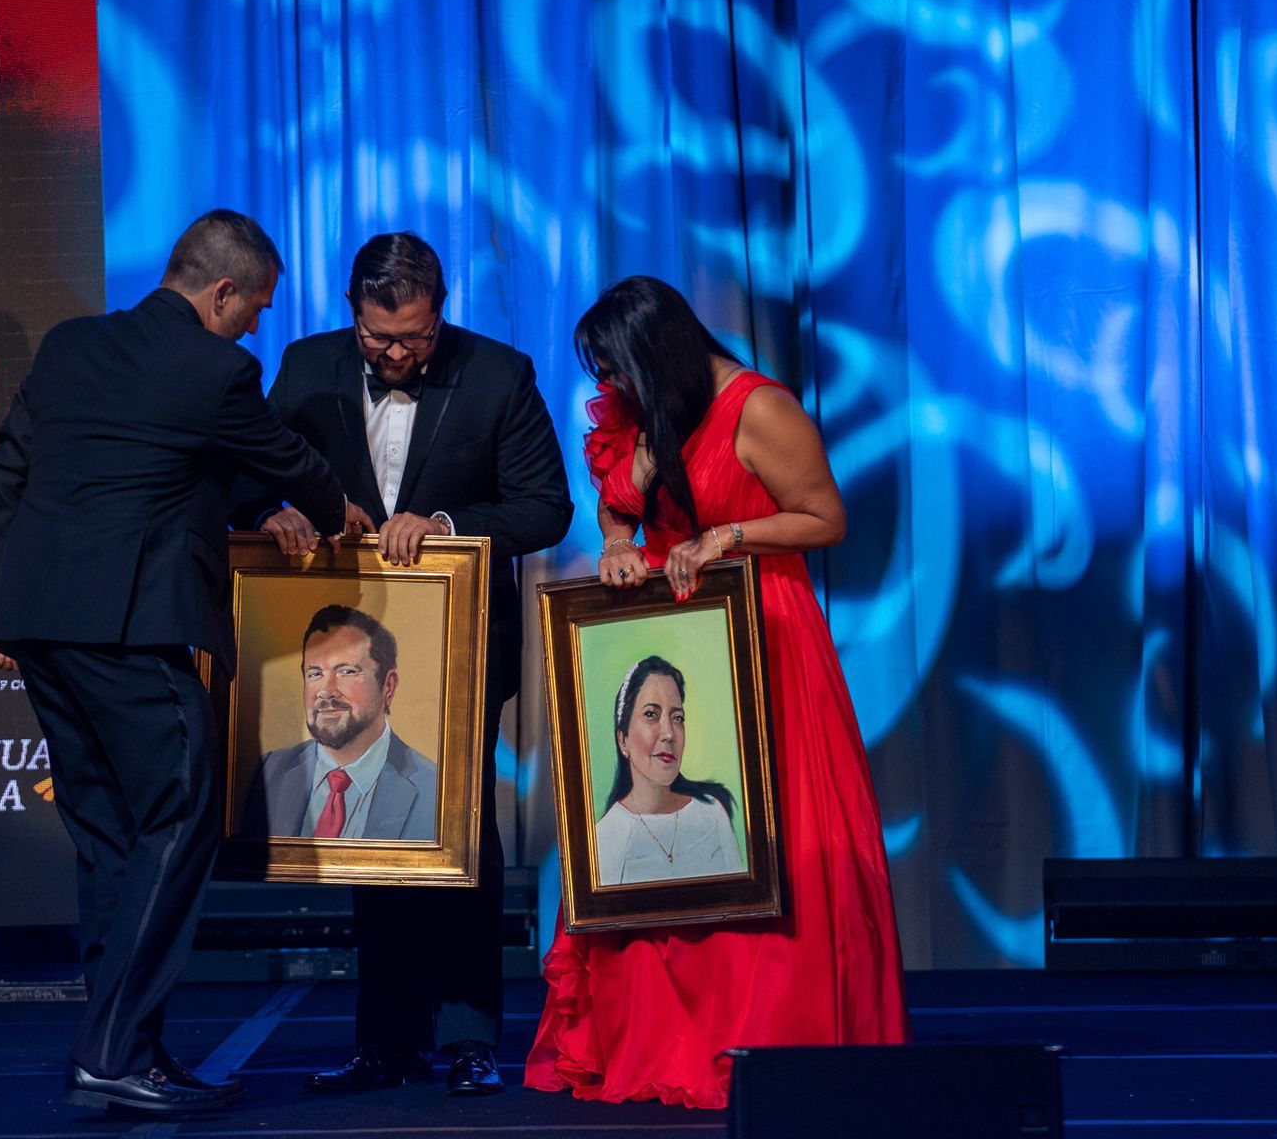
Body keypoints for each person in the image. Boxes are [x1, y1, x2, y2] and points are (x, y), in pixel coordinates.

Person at [0, 210, 346, 1118]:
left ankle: (128, 1048)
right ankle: (109, 1051)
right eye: (254, 308)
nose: (255, 326)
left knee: (112, 839)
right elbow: (286, 459)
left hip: (40, 623)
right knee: (180, 813)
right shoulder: (216, 370)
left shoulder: (72, 345)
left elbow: (12, 461)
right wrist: (337, 508)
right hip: (129, 628)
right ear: (222, 292)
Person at [525, 276, 908, 1109]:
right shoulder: (643, 412)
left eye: (618, 370)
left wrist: (727, 535)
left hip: (763, 632)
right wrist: (618, 544)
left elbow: (825, 517)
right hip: (674, 635)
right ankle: (665, 1037)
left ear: (660, 353)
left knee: (768, 837)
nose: (610, 387)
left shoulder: (759, 408)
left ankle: (770, 1038)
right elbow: (620, 504)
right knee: (660, 843)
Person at [244, 231, 574, 1097]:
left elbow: (546, 507)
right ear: (351, 312)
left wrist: (447, 526)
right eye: (379, 337)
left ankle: (469, 1040)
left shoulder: (499, 374)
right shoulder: (307, 367)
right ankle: (387, 1045)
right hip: (351, 641)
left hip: (461, 645)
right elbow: (246, 472)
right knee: (373, 837)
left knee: (463, 836)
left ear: (442, 313)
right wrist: (277, 508)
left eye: (416, 338)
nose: (396, 355)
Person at [242, 605, 438, 841]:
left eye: (346, 671)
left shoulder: (435, 792)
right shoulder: (267, 773)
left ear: (388, 686)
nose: (325, 691)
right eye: (315, 674)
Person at [593, 655, 742, 886]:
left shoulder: (712, 815)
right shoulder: (604, 839)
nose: (669, 733)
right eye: (651, 714)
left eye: (677, 718)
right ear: (623, 739)